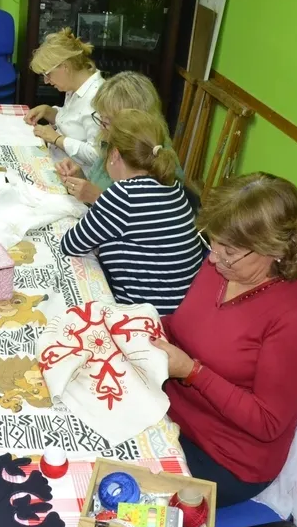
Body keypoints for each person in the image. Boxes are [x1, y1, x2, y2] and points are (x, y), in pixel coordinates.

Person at [151, 173, 297, 507]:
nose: (213, 258)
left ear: (275, 249)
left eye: (228, 250)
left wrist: (193, 372)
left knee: (121, 495)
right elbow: (190, 325)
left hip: (224, 456)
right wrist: (147, 326)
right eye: (213, 243)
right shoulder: (227, 264)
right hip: (173, 410)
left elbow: (267, 422)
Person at [60, 109, 202, 314]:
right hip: (180, 310)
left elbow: (70, 244)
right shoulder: (174, 187)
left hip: (146, 316)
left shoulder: (123, 194)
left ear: (114, 154)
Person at [55, 71, 180, 205]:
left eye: (108, 122)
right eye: (101, 118)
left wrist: (98, 197)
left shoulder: (155, 156)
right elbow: (97, 186)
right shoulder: (110, 140)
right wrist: (79, 179)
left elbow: (146, 214)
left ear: (136, 120)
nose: (101, 127)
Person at [25, 28, 104, 173]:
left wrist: (57, 139)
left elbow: (98, 156)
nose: (46, 81)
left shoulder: (97, 100)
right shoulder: (74, 87)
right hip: (57, 161)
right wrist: (49, 112)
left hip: (77, 175)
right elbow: (73, 122)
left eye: (47, 74)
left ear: (65, 67)